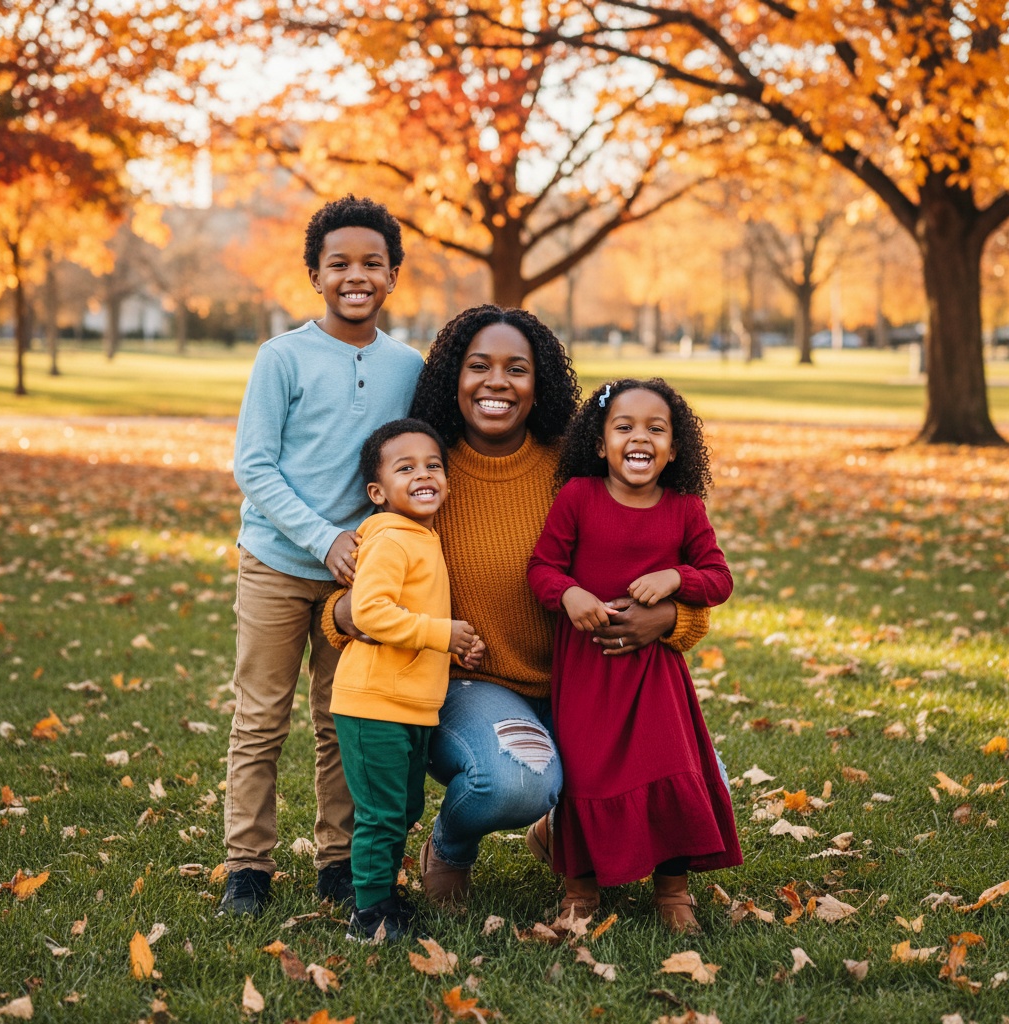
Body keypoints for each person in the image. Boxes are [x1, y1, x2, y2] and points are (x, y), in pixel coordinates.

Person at [323, 306, 711, 908]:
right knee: (517, 780)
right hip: (470, 686)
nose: (496, 382)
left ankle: (557, 831)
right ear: (453, 377)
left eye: (517, 369)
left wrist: (674, 620)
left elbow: (675, 571)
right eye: (478, 366)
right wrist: (346, 617)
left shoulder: (580, 468)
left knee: (702, 777)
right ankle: (450, 846)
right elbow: (357, 594)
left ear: (542, 382)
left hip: (591, 684)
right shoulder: (423, 471)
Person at [219, 195, 424, 918]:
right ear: (315, 274)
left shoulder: (409, 366)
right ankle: (247, 866)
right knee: (261, 717)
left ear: (394, 275)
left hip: (363, 579)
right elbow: (255, 466)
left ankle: (339, 860)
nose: (356, 275)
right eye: (339, 263)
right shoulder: (283, 357)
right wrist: (324, 538)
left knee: (345, 719)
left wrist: (370, 547)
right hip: (278, 561)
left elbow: (411, 465)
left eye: (372, 263)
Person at [527, 378, 742, 932]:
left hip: (654, 674)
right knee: (586, 774)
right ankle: (580, 891)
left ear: (674, 448)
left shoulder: (684, 509)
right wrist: (568, 593)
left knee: (669, 769)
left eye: (656, 428)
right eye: (623, 427)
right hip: (588, 668)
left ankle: (673, 894)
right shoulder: (578, 496)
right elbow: (542, 569)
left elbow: (719, 578)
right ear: (600, 444)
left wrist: (677, 576)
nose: (639, 438)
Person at [330, 418, 485, 942]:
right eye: (406, 468)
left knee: (404, 808)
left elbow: (421, 616)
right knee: (381, 815)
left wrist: (459, 644)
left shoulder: (423, 537)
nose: (424, 475)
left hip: (411, 704)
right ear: (377, 492)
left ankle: (382, 894)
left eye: (433, 465)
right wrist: (443, 633)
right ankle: (369, 913)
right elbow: (369, 612)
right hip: (374, 702)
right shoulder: (392, 540)